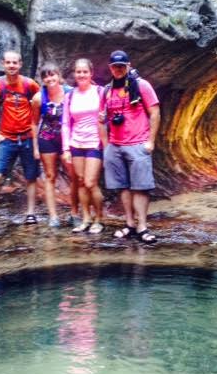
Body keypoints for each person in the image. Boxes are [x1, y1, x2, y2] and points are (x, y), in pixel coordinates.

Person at [0, 50, 40, 232]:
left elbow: (41, 104)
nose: (12, 66)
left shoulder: (30, 85)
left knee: (31, 177)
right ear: (2, 64)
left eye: (15, 62)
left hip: (28, 137)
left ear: (20, 64)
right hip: (6, 139)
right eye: (8, 62)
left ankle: (30, 214)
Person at [100, 50, 160, 243]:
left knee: (140, 187)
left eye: (121, 66)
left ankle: (142, 226)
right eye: (114, 66)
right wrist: (106, 146)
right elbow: (101, 119)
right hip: (115, 145)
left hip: (138, 143)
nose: (118, 69)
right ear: (110, 68)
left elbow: (155, 113)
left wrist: (150, 141)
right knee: (123, 187)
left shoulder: (141, 85)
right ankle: (129, 224)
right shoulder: (106, 91)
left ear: (128, 65)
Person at [31, 63, 81, 228]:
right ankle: (53, 216)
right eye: (45, 76)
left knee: (74, 176)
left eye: (52, 75)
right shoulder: (39, 98)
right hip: (47, 138)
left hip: (67, 139)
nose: (49, 79)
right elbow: (34, 123)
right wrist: (36, 147)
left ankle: (74, 213)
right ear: (42, 79)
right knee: (50, 176)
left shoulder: (70, 93)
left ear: (59, 76)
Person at [62, 59, 105, 234]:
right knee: (79, 181)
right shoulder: (70, 95)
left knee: (90, 182)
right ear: (74, 74)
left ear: (91, 73)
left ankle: (99, 219)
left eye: (84, 72)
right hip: (76, 142)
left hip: (95, 142)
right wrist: (65, 148)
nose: (81, 75)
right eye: (78, 72)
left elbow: (110, 114)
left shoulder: (100, 92)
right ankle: (86, 218)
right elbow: (65, 123)